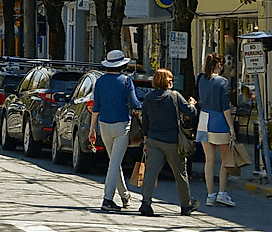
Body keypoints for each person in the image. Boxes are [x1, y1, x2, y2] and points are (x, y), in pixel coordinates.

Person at [138, 68, 198, 217]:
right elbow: (191, 113)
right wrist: (191, 104)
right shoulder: (174, 96)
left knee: (151, 173)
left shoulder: (148, 97)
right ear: (166, 82)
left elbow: (144, 119)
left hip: (153, 139)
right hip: (172, 141)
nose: (172, 82)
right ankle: (186, 205)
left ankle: (146, 203)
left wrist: (145, 137)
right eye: (170, 79)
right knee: (180, 173)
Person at [89, 49, 141, 212]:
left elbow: (96, 107)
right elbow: (135, 103)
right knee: (114, 163)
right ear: (122, 65)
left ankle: (125, 196)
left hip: (103, 125)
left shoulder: (100, 81)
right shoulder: (126, 81)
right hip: (121, 125)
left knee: (114, 162)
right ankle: (107, 198)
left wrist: (92, 129)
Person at [197, 52, 237, 208]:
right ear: (219, 65)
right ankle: (222, 192)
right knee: (226, 158)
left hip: (204, 119)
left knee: (209, 160)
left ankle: (210, 195)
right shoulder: (222, 81)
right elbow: (225, 106)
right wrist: (231, 127)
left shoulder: (200, 78)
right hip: (219, 120)